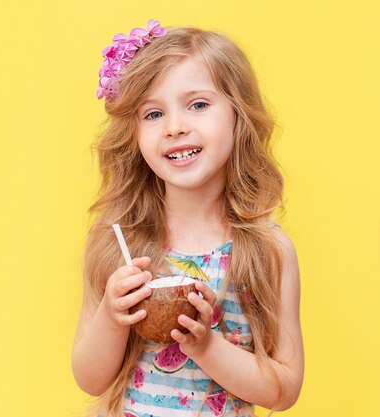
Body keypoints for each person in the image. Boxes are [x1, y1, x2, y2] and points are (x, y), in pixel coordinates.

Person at [71, 20, 304, 417]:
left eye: (198, 104)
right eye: (154, 113)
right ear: (134, 132)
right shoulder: (118, 241)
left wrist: (205, 345)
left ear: (238, 116)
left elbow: (283, 392)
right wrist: (112, 317)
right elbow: (89, 379)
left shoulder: (267, 249)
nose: (175, 127)